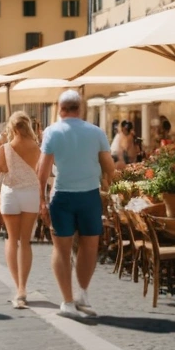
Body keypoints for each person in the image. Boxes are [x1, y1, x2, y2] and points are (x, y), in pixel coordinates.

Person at [37, 90, 116, 321]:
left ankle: (67, 301)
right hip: (90, 195)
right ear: (80, 109)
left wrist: (42, 201)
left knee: (61, 249)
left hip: (62, 195)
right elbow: (109, 168)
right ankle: (82, 293)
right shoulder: (96, 132)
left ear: (60, 109)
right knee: (89, 246)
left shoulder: (52, 132)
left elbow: (41, 173)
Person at [0, 113, 41, 308]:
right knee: (25, 242)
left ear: (12, 127)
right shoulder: (37, 148)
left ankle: (17, 286)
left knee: (12, 240)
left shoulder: (5, 148)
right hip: (31, 195)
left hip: (10, 195)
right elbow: (43, 172)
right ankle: (23, 288)